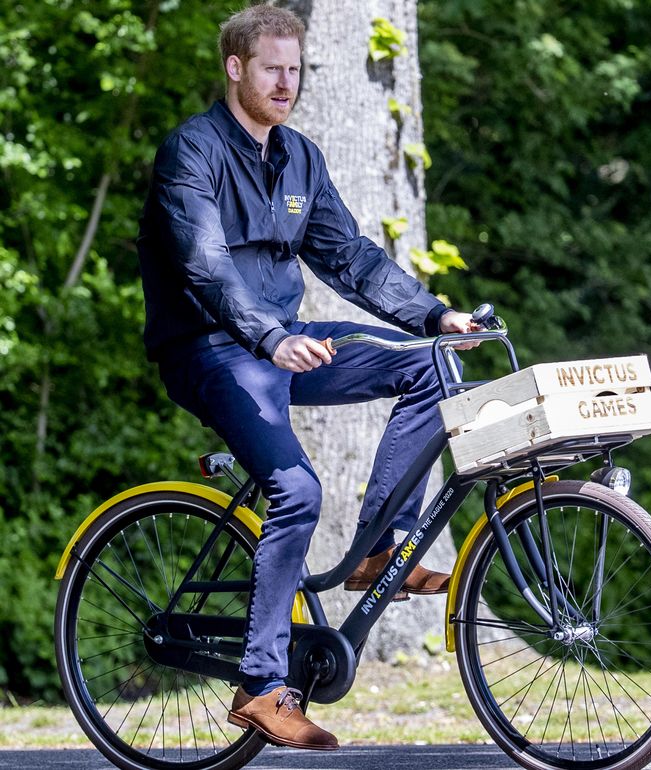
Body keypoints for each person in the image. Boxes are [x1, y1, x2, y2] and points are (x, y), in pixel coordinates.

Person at [137, 3, 477, 752]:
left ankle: (381, 550)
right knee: (298, 491)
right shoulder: (190, 152)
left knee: (430, 368)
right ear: (235, 68)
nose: (286, 83)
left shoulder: (301, 159)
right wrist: (267, 336)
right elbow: (203, 266)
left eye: (295, 70)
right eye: (272, 69)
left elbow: (350, 257)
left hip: (284, 340)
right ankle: (261, 686)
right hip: (212, 348)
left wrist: (433, 315)